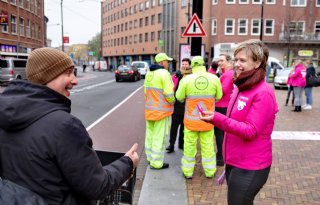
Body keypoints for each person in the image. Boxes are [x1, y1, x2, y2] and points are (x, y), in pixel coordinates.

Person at [0, 47, 139, 205]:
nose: (75, 80)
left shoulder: (5, 115)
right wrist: (128, 163)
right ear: (46, 76)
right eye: (68, 73)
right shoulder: (64, 125)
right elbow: (97, 186)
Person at [200, 39, 278, 205]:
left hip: (250, 165)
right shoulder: (241, 86)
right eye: (236, 59)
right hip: (235, 161)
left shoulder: (263, 92)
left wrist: (217, 119)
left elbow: (250, 130)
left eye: (242, 60)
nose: (236, 64)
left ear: (257, 63)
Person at [176, 56, 222, 179]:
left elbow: (179, 97)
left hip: (191, 122)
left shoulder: (186, 79)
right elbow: (219, 96)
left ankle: (188, 172)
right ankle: (210, 172)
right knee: (208, 147)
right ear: (204, 64)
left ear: (192, 66)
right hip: (207, 121)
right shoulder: (214, 78)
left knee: (189, 148)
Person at [144, 53, 175, 169]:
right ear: (162, 62)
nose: (168, 63)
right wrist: (173, 101)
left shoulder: (149, 74)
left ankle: (150, 158)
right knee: (159, 137)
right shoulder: (164, 73)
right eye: (167, 61)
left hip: (149, 110)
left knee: (150, 136)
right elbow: (169, 93)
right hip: (161, 112)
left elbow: (145, 93)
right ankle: (157, 162)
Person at [166, 58, 192, 153]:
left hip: (187, 104)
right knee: (174, 126)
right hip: (177, 105)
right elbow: (171, 87)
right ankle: (171, 144)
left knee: (184, 126)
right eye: (183, 63)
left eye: (186, 64)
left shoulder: (192, 76)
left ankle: (181, 144)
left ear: (189, 65)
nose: (184, 65)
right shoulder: (177, 75)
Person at [214, 53, 234, 166]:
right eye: (219, 60)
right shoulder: (227, 73)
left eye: (222, 60)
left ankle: (220, 157)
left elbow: (223, 90)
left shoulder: (227, 74)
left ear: (229, 62)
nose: (219, 62)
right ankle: (222, 155)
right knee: (221, 133)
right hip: (224, 106)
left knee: (219, 133)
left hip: (222, 106)